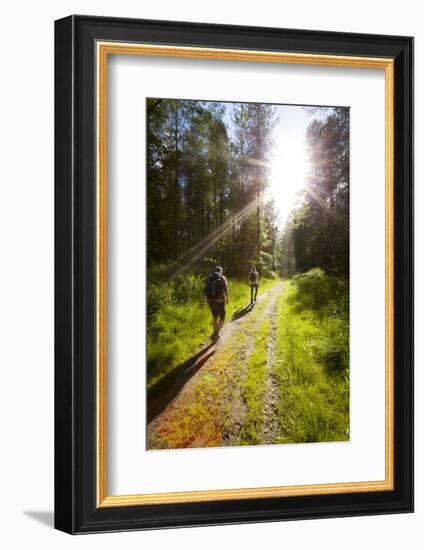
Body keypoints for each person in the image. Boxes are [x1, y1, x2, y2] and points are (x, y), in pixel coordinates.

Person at [204, 266, 229, 341]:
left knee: (215, 317)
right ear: (221, 271)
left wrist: (204, 301)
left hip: (210, 300)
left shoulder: (209, 278)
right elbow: (226, 289)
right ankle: (216, 333)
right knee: (222, 317)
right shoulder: (223, 277)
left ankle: (215, 332)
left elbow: (205, 290)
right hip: (220, 300)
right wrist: (227, 298)